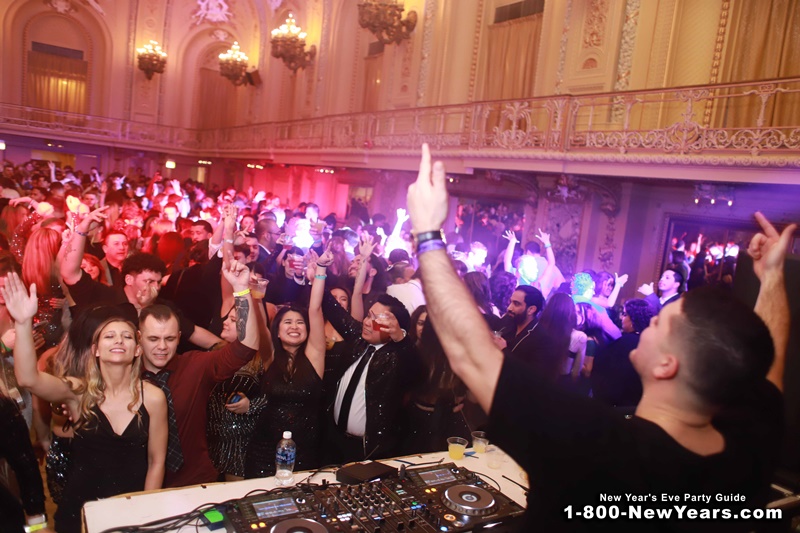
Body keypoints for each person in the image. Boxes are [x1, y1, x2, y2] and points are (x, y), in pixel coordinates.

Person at [407, 144, 792, 531]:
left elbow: (469, 353)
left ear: (666, 365)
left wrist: (427, 233)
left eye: (660, 323)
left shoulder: (594, 442)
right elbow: (768, 361)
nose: (648, 323)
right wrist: (773, 277)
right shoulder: (747, 447)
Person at [6, 272, 168, 533]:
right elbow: (28, 379)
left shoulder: (153, 397)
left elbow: (156, 461)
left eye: (127, 336)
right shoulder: (79, 391)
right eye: (109, 336)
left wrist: (145, 512)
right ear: (95, 350)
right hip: (81, 509)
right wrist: (23, 323)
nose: (119, 340)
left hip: (132, 508)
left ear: (137, 350)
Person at [139, 256, 259, 488]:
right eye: (153, 339)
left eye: (169, 339)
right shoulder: (127, 374)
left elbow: (246, 346)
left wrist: (241, 290)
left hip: (195, 481)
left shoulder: (194, 365)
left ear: (179, 338)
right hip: (141, 484)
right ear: (139, 338)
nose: (162, 347)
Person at [244, 250, 327, 478]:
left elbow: (315, 309)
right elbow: (260, 324)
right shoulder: (270, 356)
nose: (294, 326)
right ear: (278, 332)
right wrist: (253, 293)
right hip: (264, 447)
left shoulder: (315, 357)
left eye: (300, 323)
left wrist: (320, 270)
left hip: (305, 449)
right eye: (287, 322)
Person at [592, 298, 657, 411]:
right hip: (642, 407)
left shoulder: (621, 345)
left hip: (616, 407)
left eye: (625, 314)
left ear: (634, 319)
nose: (621, 318)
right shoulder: (654, 344)